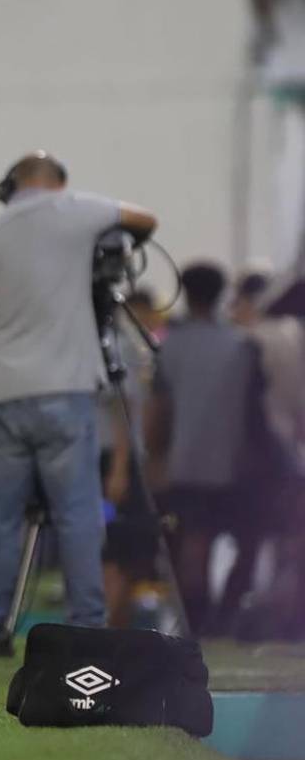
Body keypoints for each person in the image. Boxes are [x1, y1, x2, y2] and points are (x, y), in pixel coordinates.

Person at [0, 152, 156, 656]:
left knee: (2, 519)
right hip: (64, 390)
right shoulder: (75, 210)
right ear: (58, 184)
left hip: (3, 392)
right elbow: (145, 219)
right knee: (76, 516)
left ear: (14, 185)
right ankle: (86, 627)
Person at [146, 264, 263, 634]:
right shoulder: (240, 345)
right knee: (244, 540)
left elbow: (158, 410)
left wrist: (155, 458)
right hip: (232, 461)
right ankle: (224, 615)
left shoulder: (170, 346)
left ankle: (196, 622)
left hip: (184, 462)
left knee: (193, 544)